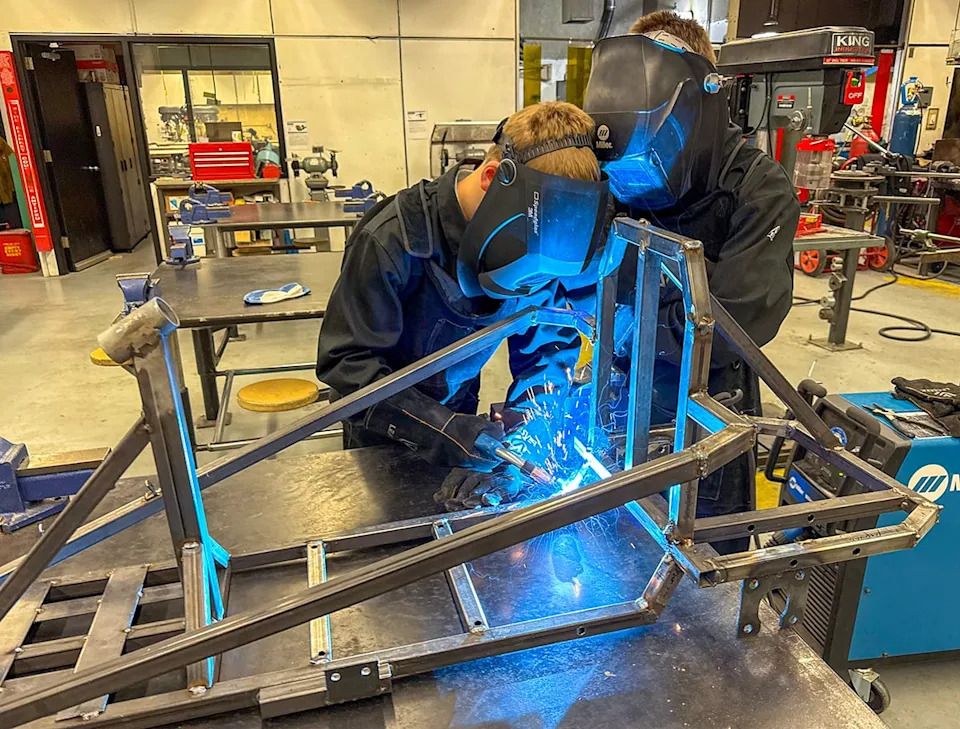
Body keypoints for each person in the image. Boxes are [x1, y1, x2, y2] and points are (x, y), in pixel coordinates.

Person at [316, 102, 612, 511]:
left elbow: (545, 355)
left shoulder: (536, 236)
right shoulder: (392, 239)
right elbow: (347, 365)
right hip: (381, 438)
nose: (530, 278)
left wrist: (524, 441)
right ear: (491, 179)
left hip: (465, 428)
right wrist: (440, 428)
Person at [583, 12, 800, 551]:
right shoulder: (619, 166)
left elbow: (738, 318)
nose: (632, 185)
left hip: (708, 408)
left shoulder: (758, 187)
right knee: (614, 548)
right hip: (621, 393)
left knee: (702, 570)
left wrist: (639, 329)